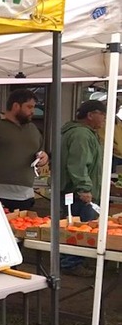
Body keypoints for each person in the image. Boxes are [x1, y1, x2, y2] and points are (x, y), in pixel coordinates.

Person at [0, 89, 49, 211]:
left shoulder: (33, 129)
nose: (32, 111)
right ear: (16, 106)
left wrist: (44, 157)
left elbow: (38, 152)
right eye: (29, 107)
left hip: (24, 195)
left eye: (33, 107)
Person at [60, 99, 107, 275]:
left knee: (74, 224)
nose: (104, 118)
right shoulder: (81, 134)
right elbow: (78, 164)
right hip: (78, 192)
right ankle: (71, 262)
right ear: (90, 115)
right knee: (79, 226)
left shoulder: (83, 133)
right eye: (102, 114)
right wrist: (85, 188)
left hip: (74, 190)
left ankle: (72, 259)